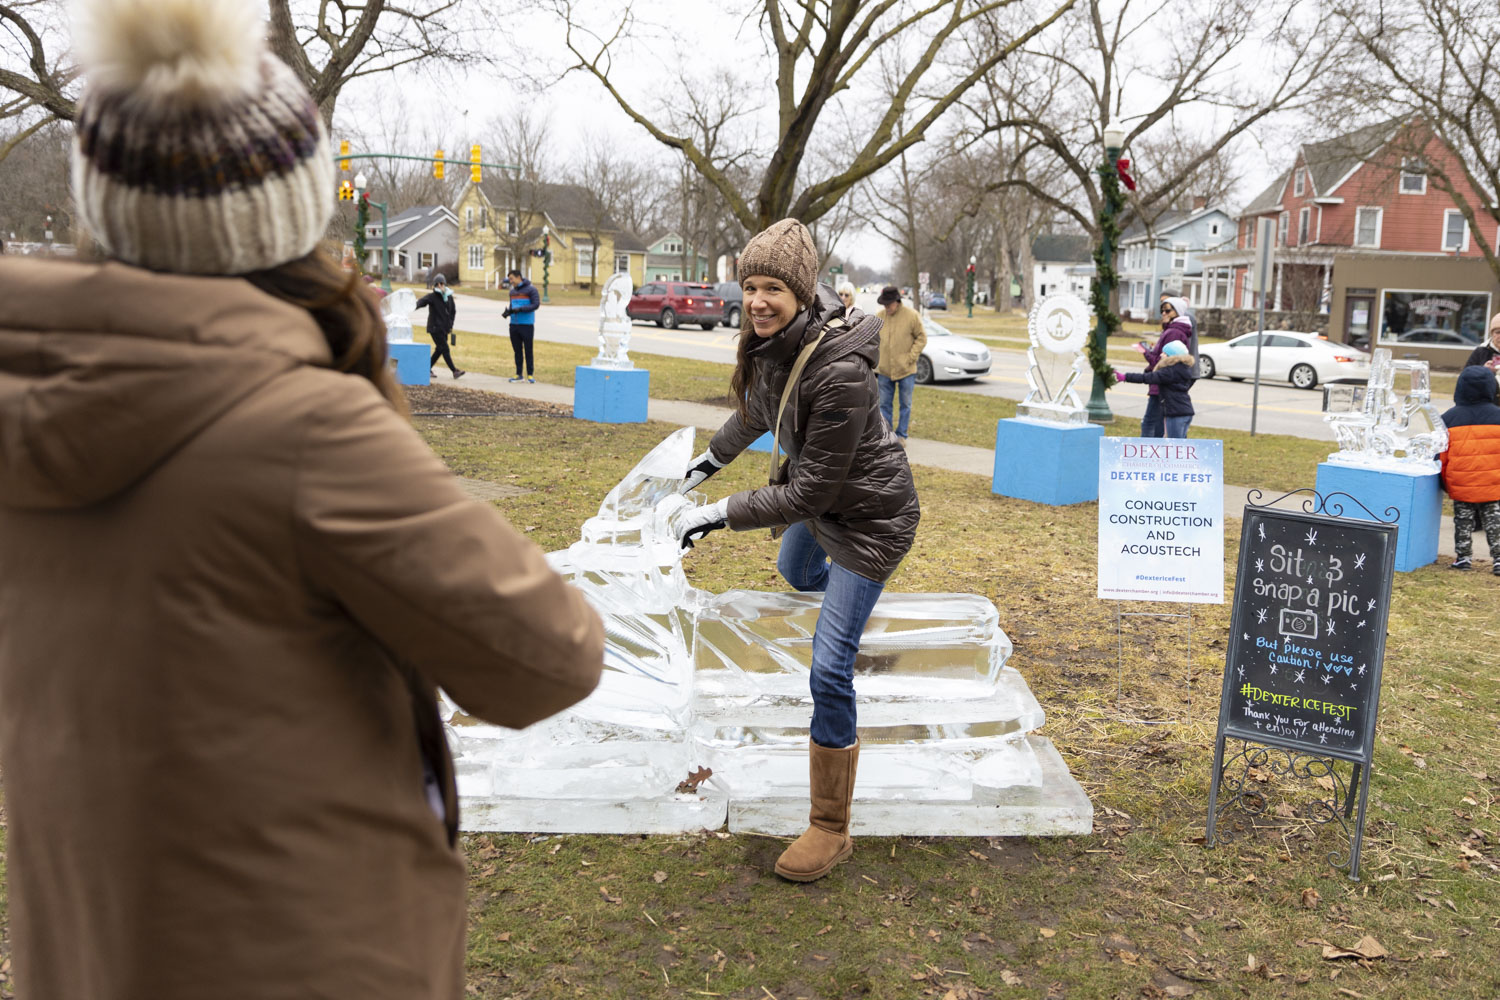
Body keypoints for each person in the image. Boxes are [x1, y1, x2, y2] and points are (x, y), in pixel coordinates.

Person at [0, 2, 606, 997]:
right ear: (289, 211)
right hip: (297, 946)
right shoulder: (305, 430)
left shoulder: (32, 391)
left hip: (94, 941)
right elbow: (550, 654)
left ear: (98, 204)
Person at [676, 220, 919, 883]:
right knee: (793, 568)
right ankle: (846, 611)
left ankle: (830, 827)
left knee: (827, 667)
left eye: (773, 288)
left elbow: (809, 492)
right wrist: (703, 465)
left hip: (871, 523)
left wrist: (716, 515)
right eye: (751, 285)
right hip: (829, 511)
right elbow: (755, 414)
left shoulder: (838, 372)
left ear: (803, 293)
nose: (757, 300)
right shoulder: (777, 349)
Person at [1438, 366, 1500, 574]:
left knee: (1463, 522)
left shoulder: (1449, 418)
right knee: (1494, 521)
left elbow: (1441, 455)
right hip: (1493, 484)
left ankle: (1463, 557)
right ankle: (1499, 559)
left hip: (1461, 484)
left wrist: (1443, 480)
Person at [874, 285, 926, 443]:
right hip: (884, 370)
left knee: (905, 404)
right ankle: (887, 436)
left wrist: (910, 357)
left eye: (889, 304)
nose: (886, 307)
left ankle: (902, 435)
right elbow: (872, 340)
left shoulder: (911, 316)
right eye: (884, 304)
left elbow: (922, 338)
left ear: (897, 301)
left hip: (906, 370)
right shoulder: (879, 316)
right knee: (884, 405)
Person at [1137, 295, 1194, 437]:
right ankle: (1155, 454)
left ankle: (1147, 456)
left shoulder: (1174, 332)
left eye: (1167, 310)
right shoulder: (1173, 330)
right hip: (1163, 384)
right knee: (1156, 424)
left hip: (1162, 384)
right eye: (1162, 310)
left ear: (1177, 312)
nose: (1163, 313)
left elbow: (1165, 361)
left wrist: (1145, 352)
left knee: (1150, 423)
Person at [1117, 340, 1196, 438]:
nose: (1161, 355)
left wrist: (1126, 377)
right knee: (1181, 444)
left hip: (1176, 413)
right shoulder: (1181, 369)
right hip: (1185, 412)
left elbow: (1148, 377)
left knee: (1176, 445)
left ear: (1172, 357)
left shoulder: (1170, 372)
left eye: (1165, 353)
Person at [415, 272, 465, 379]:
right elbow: (421, 302)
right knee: (445, 349)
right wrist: (412, 306)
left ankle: (426, 369)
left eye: (442, 284)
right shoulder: (432, 297)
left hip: (444, 329)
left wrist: (450, 325)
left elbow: (453, 312)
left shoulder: (449, 297)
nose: (440, 286)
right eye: (438, 284)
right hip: (435, 328)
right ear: (435, 285)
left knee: (439, 350)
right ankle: (454, 371)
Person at [503, 266, 541, 382]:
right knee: (517, 350)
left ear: (519, 277)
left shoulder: (531, 290)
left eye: (512, 279)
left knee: (528, 349)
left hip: (527, 325)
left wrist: (521, 309)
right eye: (509, 279)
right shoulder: (512, 292)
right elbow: (512, 306)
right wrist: (508, 312)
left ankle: (530, 374)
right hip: (514, 325)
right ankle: (519, 374)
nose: (510, 281)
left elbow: (535, 305)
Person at [1159, 287, 1199, 355]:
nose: (1163, 304)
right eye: (1161, 301)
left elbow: (1185, 346)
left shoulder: (1185, 317)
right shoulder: (1170, 318)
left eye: (1166, 300)